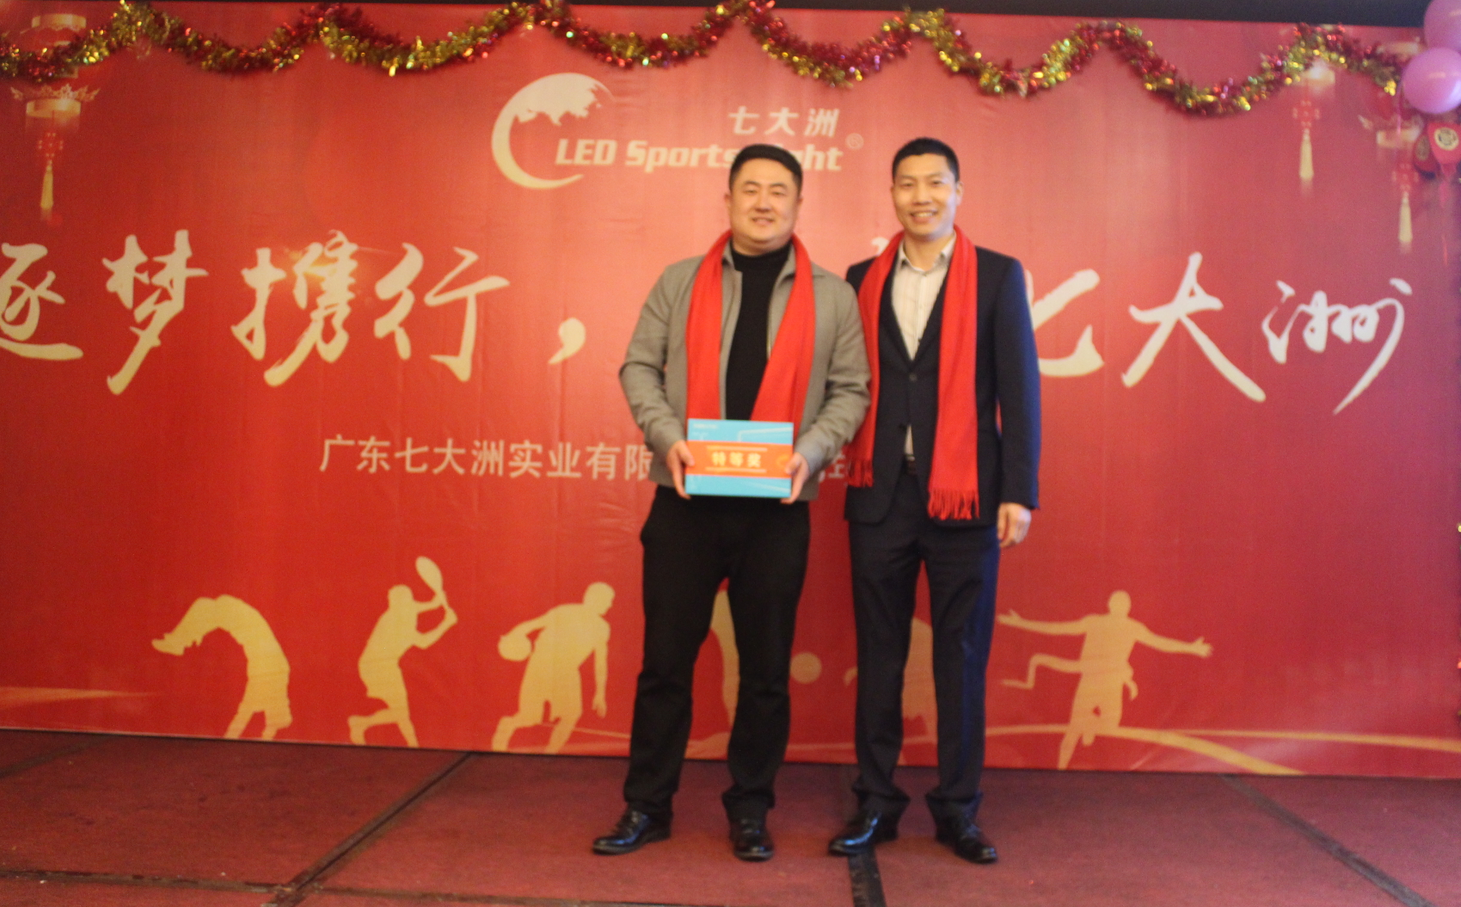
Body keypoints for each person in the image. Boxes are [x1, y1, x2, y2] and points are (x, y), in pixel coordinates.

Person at [600, 144, 870, 861]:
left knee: (765, 671)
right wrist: (667, 439)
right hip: (686, 499)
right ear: (727, 199)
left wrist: (811, 451)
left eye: (778, 190)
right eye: (750, 188)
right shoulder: (679, 280)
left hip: (776, 508)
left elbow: (851, 390)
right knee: (665, 663)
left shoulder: (832, 296)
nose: (763, 202)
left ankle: (750, 809)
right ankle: (646, 805)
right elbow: (638, 365)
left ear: (798, 203)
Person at [828, 137, 1040, 865]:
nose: (921, 196)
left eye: (935, 183)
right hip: (879, 494)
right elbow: (844, 381)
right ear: (891, 193)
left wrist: (1019, 491)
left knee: (960, 656)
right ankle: (875, 802)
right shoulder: (860, 279)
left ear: (958, 192)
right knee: (879, 655)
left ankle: (957, 808)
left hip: (967, 496)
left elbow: (1019, 388)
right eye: (907, 183)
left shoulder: (998, 275)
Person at [493, 581, 614, 754]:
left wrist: (600, 693)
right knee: (529, 717)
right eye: (607, 600)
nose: (610, 605)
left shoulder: (602, 628)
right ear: (594, 599)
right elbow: (531, 625)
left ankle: (550, 753)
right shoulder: (564, 612)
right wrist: (512, 636)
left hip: (567, 672)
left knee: (572, 715)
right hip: (542, 666)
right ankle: (506, 726)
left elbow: (600, 662)